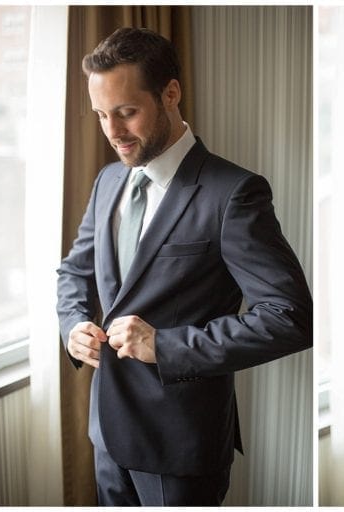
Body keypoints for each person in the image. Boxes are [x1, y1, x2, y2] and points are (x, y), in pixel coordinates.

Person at [56, 27, 312, 506]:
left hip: (181, 444)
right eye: (100, 115)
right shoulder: (109, 180)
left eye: (127, 112)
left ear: (170, 93)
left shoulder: (233, 193)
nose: (112, 132)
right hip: (106, 433)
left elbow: (291, 318)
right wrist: (72, 324)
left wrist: (166, 346)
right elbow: (75, 271)